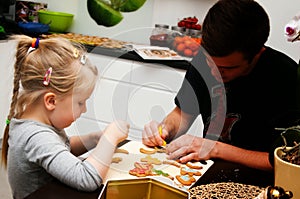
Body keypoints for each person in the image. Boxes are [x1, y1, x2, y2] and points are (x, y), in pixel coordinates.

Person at [143, 0, 300, 171]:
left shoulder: (287, 78)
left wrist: (216, 149)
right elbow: (182, 114)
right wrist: (164, 130)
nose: (214, 73)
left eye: (227, 68)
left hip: (262, 185)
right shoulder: (204, 62)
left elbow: (287, 161)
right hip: (208, 174)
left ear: (257, 54)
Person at [1, 35, 129, 199]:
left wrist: (94, 139)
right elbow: (87, 178)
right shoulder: (36, 137)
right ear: (51, 101)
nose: (84, 109)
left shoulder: (32, 125)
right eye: (81, 102)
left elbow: (61, 147)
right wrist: (110, 137)